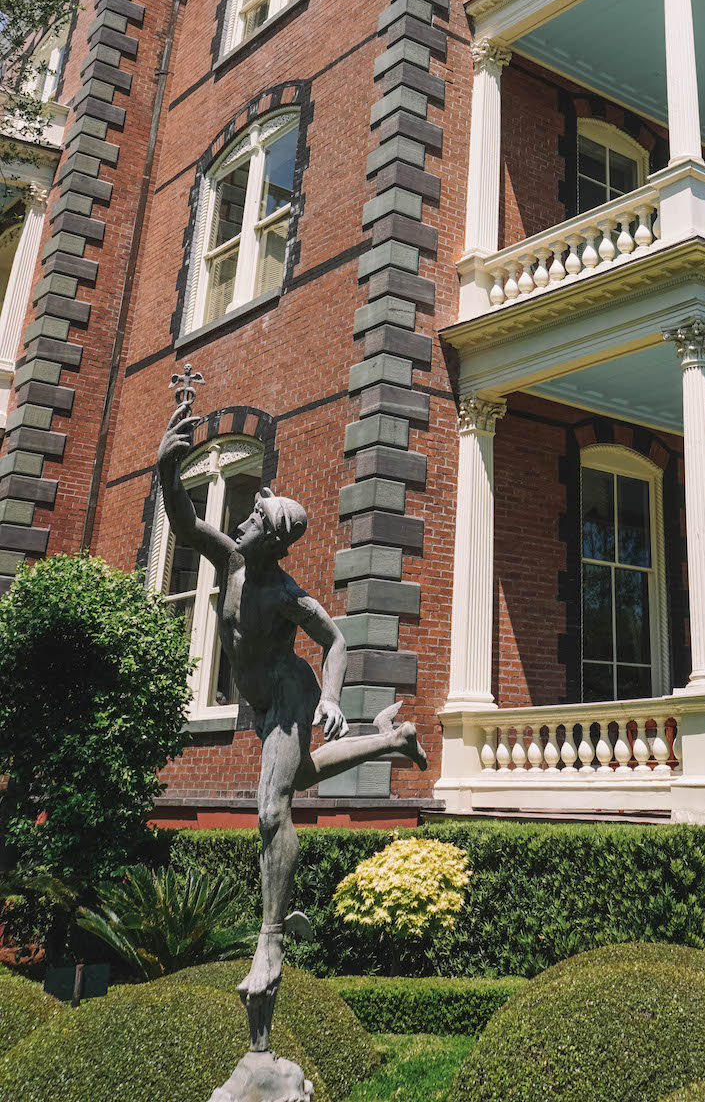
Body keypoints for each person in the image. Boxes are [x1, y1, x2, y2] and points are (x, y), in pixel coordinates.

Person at [156, 399, 426, 1050]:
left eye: (253, 517)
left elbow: (333, 640)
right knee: (302, 773)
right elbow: (187, 525)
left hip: (285, 694)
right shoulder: (232, 561)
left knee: (273, 809)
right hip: (256, 701)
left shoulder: (282, 591)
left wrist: (330, 699)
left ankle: (270, 943)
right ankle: (392, 738)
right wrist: (168, 467)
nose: (242, 518)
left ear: (273, 539)